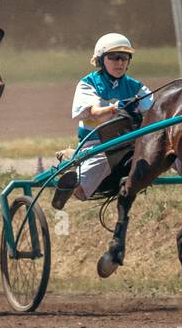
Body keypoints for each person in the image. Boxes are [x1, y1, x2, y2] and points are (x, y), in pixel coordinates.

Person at [51, 33, 153, 209]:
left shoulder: (136, 86)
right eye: (114, 57)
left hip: (130, 143)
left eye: (124, 58)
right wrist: (116, 108)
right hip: (96, 144)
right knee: (106, 158)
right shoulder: (88, 83)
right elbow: (94, 113)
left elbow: (155, 111)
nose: (120, 62)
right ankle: (74, 175)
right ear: (100, 60)